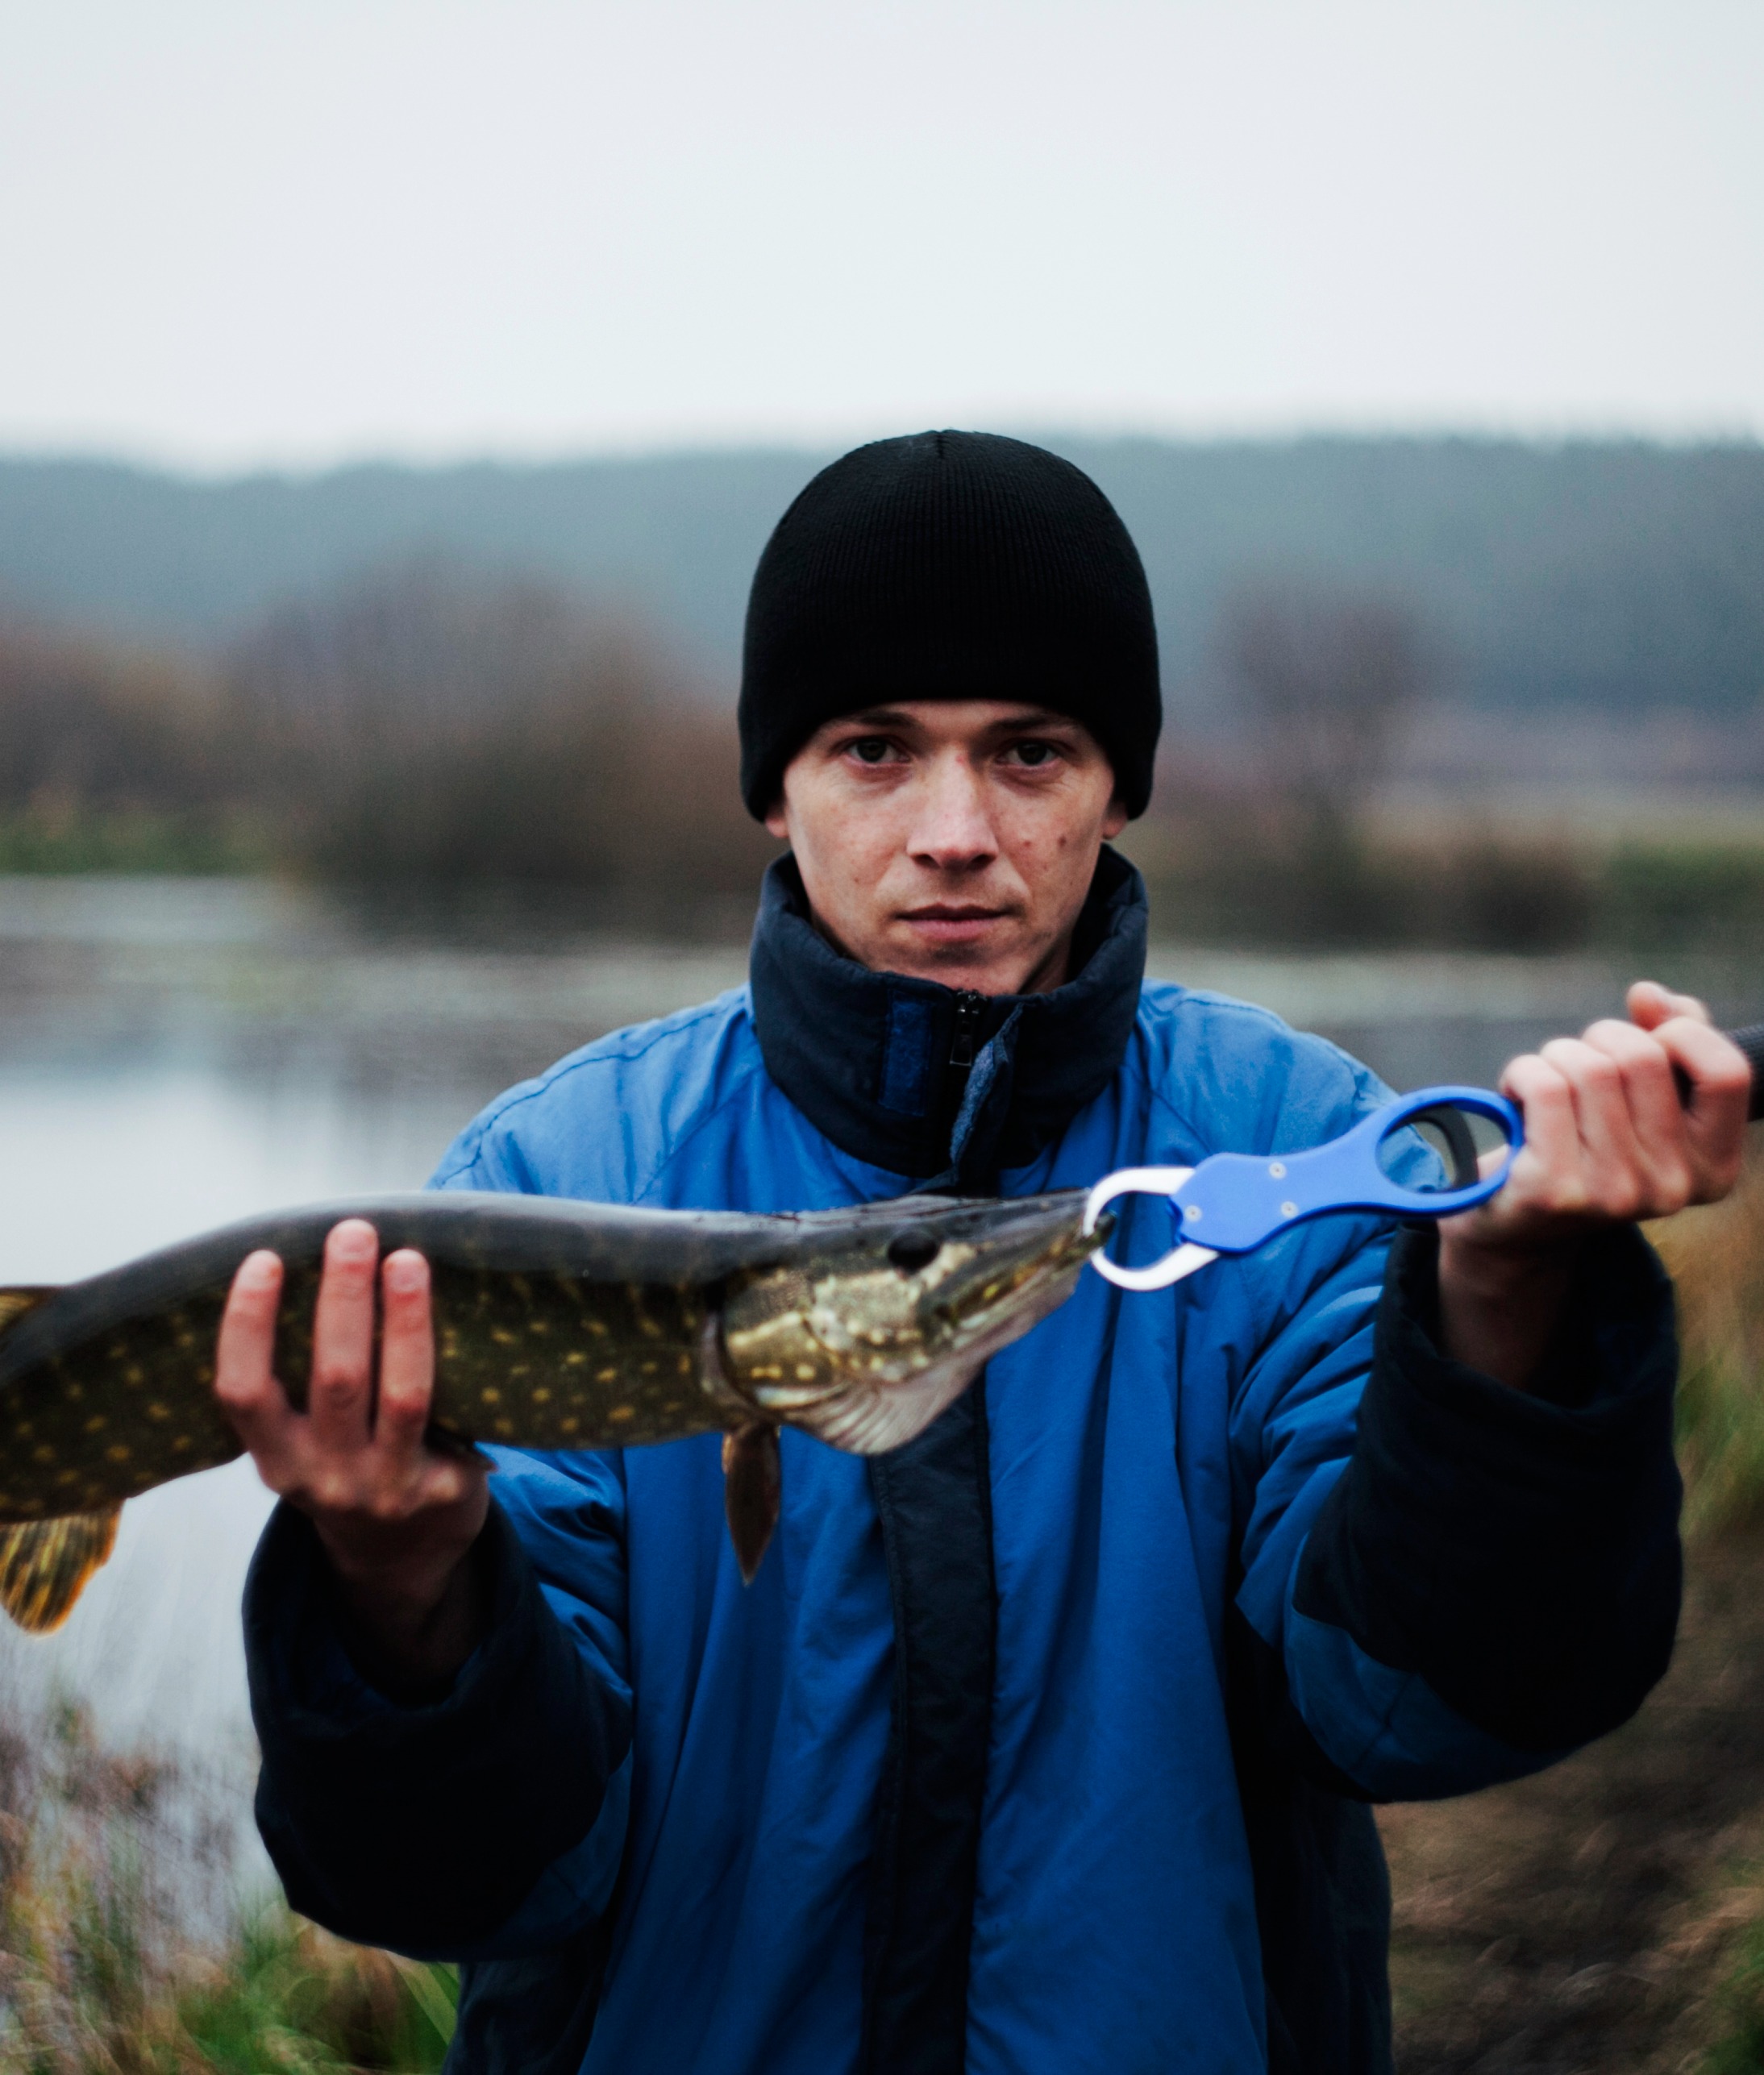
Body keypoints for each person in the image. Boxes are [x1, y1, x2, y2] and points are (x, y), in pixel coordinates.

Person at [218, 432, 1752, 2075]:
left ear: (1113, 784)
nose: (953, 829)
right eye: (875, 750)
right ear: (775, 786)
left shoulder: (1303, 1149)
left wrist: (1504, 1302)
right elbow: (471, 1877)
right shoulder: (556, 1177)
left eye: (1027, 753)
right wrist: (398, 1591)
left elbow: (1414, 1701)